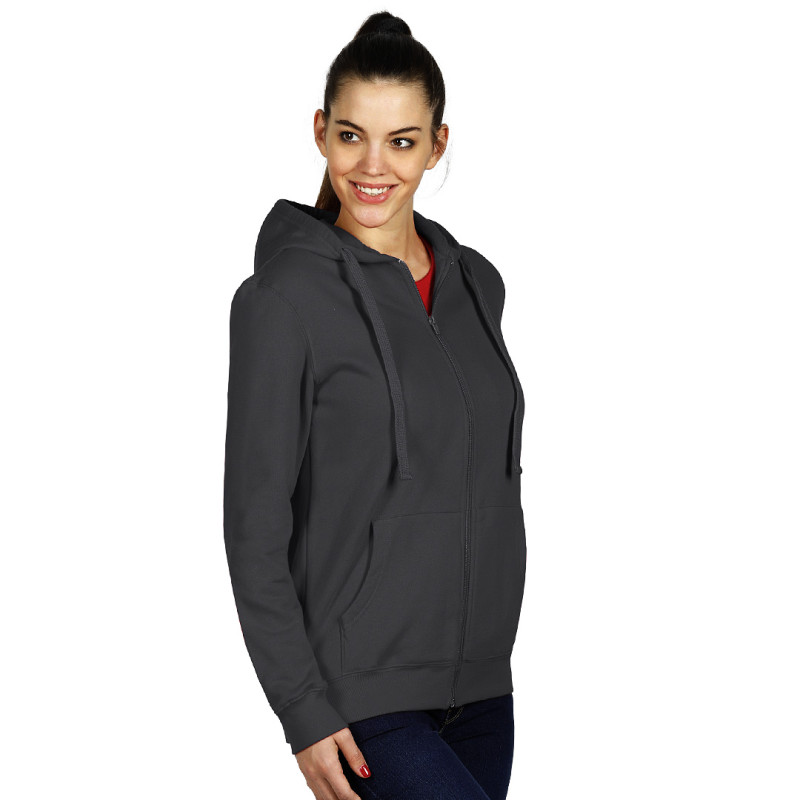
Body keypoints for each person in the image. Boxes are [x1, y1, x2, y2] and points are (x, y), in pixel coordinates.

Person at [223, 11, 527, 800]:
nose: (373, 166)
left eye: (402, 141)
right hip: (361, 700)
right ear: (320, 133)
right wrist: (300, 708)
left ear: (436, 146)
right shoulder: (282, 300)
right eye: (352, 135)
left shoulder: (477, 285)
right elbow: (255, 525)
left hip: (483, 691)